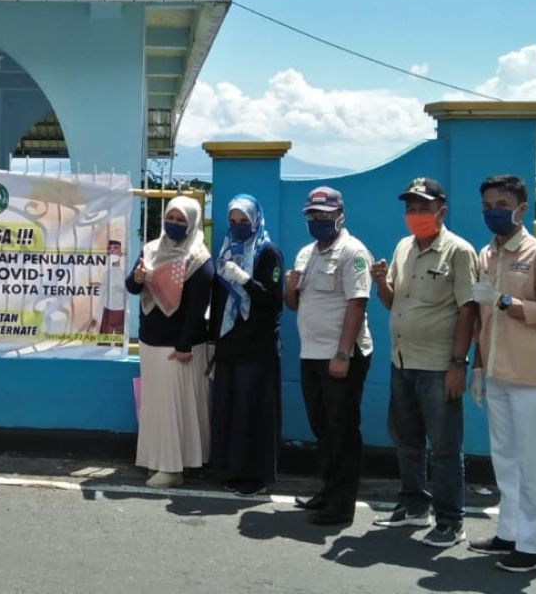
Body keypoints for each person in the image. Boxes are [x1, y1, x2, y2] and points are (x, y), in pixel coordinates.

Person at [467, 174, 536, 573]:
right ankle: (508, 532)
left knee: (533, 462)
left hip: (531, 376)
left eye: (502, 204)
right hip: (496, 373)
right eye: (488, 204)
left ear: (522, 208)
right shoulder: (486, 255)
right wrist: (477, 366)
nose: (494, 211)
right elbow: (481, 318)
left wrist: (509, 301)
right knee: (505, 459)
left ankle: (534, 545)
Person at [369, 177, 477, 547]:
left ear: (441, 211)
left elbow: (468, 311)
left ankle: (451, 520)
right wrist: (381, 283)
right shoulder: (403, 247)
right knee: (407, 439)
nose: (415, 215)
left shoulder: (459, 252)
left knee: (445, 448)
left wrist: (458, 364)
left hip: (437, 366)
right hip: (401, 360)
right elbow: (392, 301)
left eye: (423, 208)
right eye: (410, 208)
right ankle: (414, 504)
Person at [284, 185, 373, 525]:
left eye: (324, 215)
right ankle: (327, 490)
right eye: (312, 215)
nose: (318, 220)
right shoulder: (306, 254)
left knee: (343, 430)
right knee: (322, 427)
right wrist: (290, 288)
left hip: (342, 357)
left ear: (340, 216)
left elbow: (357, 303)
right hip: (312, 354)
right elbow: (294, 305)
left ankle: (341, 505)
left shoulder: (353, 251)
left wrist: (342, 353)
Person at [125, 195, 214, 488]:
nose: (173, 224)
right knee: (157, 407)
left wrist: (185, 345)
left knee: (175, 408)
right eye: (170, 218)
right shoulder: (152, 249)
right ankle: (161, 460)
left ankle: (174, 468)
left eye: (180, 220)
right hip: (151, 342)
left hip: (178, 347)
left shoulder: (198, 259)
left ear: (192, 223)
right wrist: (138, 279)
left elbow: (198, 306)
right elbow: (131, 285)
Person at [208, 193, 284, 496]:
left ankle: (255, 475)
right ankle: (231, 469)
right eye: (233, 220)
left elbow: (273, 300)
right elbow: (217, 302)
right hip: (229, 346)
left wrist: (246, 281)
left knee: (252, 411)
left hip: (257, 348)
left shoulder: (268, 252)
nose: (238, 226)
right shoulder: (226, 251)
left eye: (244, 220)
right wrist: (214, 342)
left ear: (256, 220)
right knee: (228, 409)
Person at [88, 239, 127, 335]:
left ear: (121, 252)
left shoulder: (126, 272)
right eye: (110, 248)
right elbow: (103, 297)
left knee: (119, 344)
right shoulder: (105, 274)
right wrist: (95, 318)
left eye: (116, 248)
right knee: (104, 344)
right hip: (108, 314)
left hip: (122, 314)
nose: (112, 250)